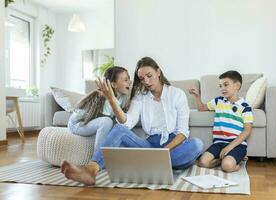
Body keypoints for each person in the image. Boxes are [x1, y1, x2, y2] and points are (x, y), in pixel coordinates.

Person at [62, 57, 204, 185]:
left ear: (158, 72)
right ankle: (91, 169)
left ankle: (152, 164)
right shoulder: (140, 97)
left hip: (172, 148)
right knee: (119, 129)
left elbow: (183, 132)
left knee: (197, 144)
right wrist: (112, 99)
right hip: (149, 147)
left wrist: (164, 152)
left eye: (149, 76)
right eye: (142, 79)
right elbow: (127, 123)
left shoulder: (176, 94)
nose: (146, 81)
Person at [61, 66, 131, 183]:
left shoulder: (123, 97)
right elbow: (105, 121)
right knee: (106, 121)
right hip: (77, 124)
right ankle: (96, 160)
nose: (129, 82)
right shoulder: (105, 98)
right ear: (113, 85)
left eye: (128, 78)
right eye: (125, 80)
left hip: (91, 123)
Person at [189, 70, 253, 172]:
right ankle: (222, 159)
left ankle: (237, 161)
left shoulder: (245, 106)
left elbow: (247, 130)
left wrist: (229, 148)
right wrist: (197, 96)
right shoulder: (219, 101)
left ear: (237, 86)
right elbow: (201, 108)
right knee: (203, 162)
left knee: (227, 166)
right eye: (220, 86)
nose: (222, 88)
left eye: (225, 85)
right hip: (219, 143)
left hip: (236, 145)